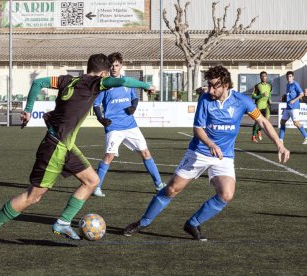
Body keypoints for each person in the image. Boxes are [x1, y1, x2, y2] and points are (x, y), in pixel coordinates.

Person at [0, 53, 156, 250]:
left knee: (92, 181)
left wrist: (28, 110)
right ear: (104, 73)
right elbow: (123, 80)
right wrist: (146, 86)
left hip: (66, 146)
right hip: (55, 147)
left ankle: (63, 222)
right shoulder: (95, 83)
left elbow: (38, 83)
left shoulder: (67, 80)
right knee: (33, 196)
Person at [123, 65, 290, 241]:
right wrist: (210, 144)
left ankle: (193, 223)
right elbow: (198, 129)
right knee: (172, 189)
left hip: (223, 156)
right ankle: (143, 222)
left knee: (226, 194)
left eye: (214, 85)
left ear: (225, 85)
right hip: (199, 152)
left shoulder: (242, 101)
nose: (209, 89)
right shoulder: (205, 99)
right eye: (208, 85)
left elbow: (263, 122)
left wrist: (279, 143)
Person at [92, 52, 165, 197]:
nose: (114, 68)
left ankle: (159, 184)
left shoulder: (127, 82)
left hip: (130, 125)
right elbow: (96, 104)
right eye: (111, 65)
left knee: (146, 153)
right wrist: (101, 118)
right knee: (109, 156)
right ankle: (96, 187)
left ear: (121, 66)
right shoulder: (105, 84)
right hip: (114, 126)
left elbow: (135, 98)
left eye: (117, 65)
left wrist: (133, 107)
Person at [279, 71, 307, 145]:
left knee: (296, 123)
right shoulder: (287, 85)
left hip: (294, 107)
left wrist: (294, 100)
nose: (289, 77)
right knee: (282, 122)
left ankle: (306, 137)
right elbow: (289, 94)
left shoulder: (295, 84)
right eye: (288, 76)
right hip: (288, 107)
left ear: (293, 77)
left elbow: (302, 94)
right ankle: (280, 139)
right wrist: (284, 97)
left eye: (290, 76)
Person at [251, 71, 272, 142]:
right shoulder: (257, 86)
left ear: (267, 77)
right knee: (258, 122)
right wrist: (261, 95)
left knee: (266, 121)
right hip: (259, 106)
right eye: (262, 76)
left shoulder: (269, 86)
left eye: (265, 76)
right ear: (260, 77)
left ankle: (259, 131)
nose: (264, 77)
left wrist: (269, 99)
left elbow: (270, 94)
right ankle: (253, 136)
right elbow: (253, 96)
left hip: (266, 106)